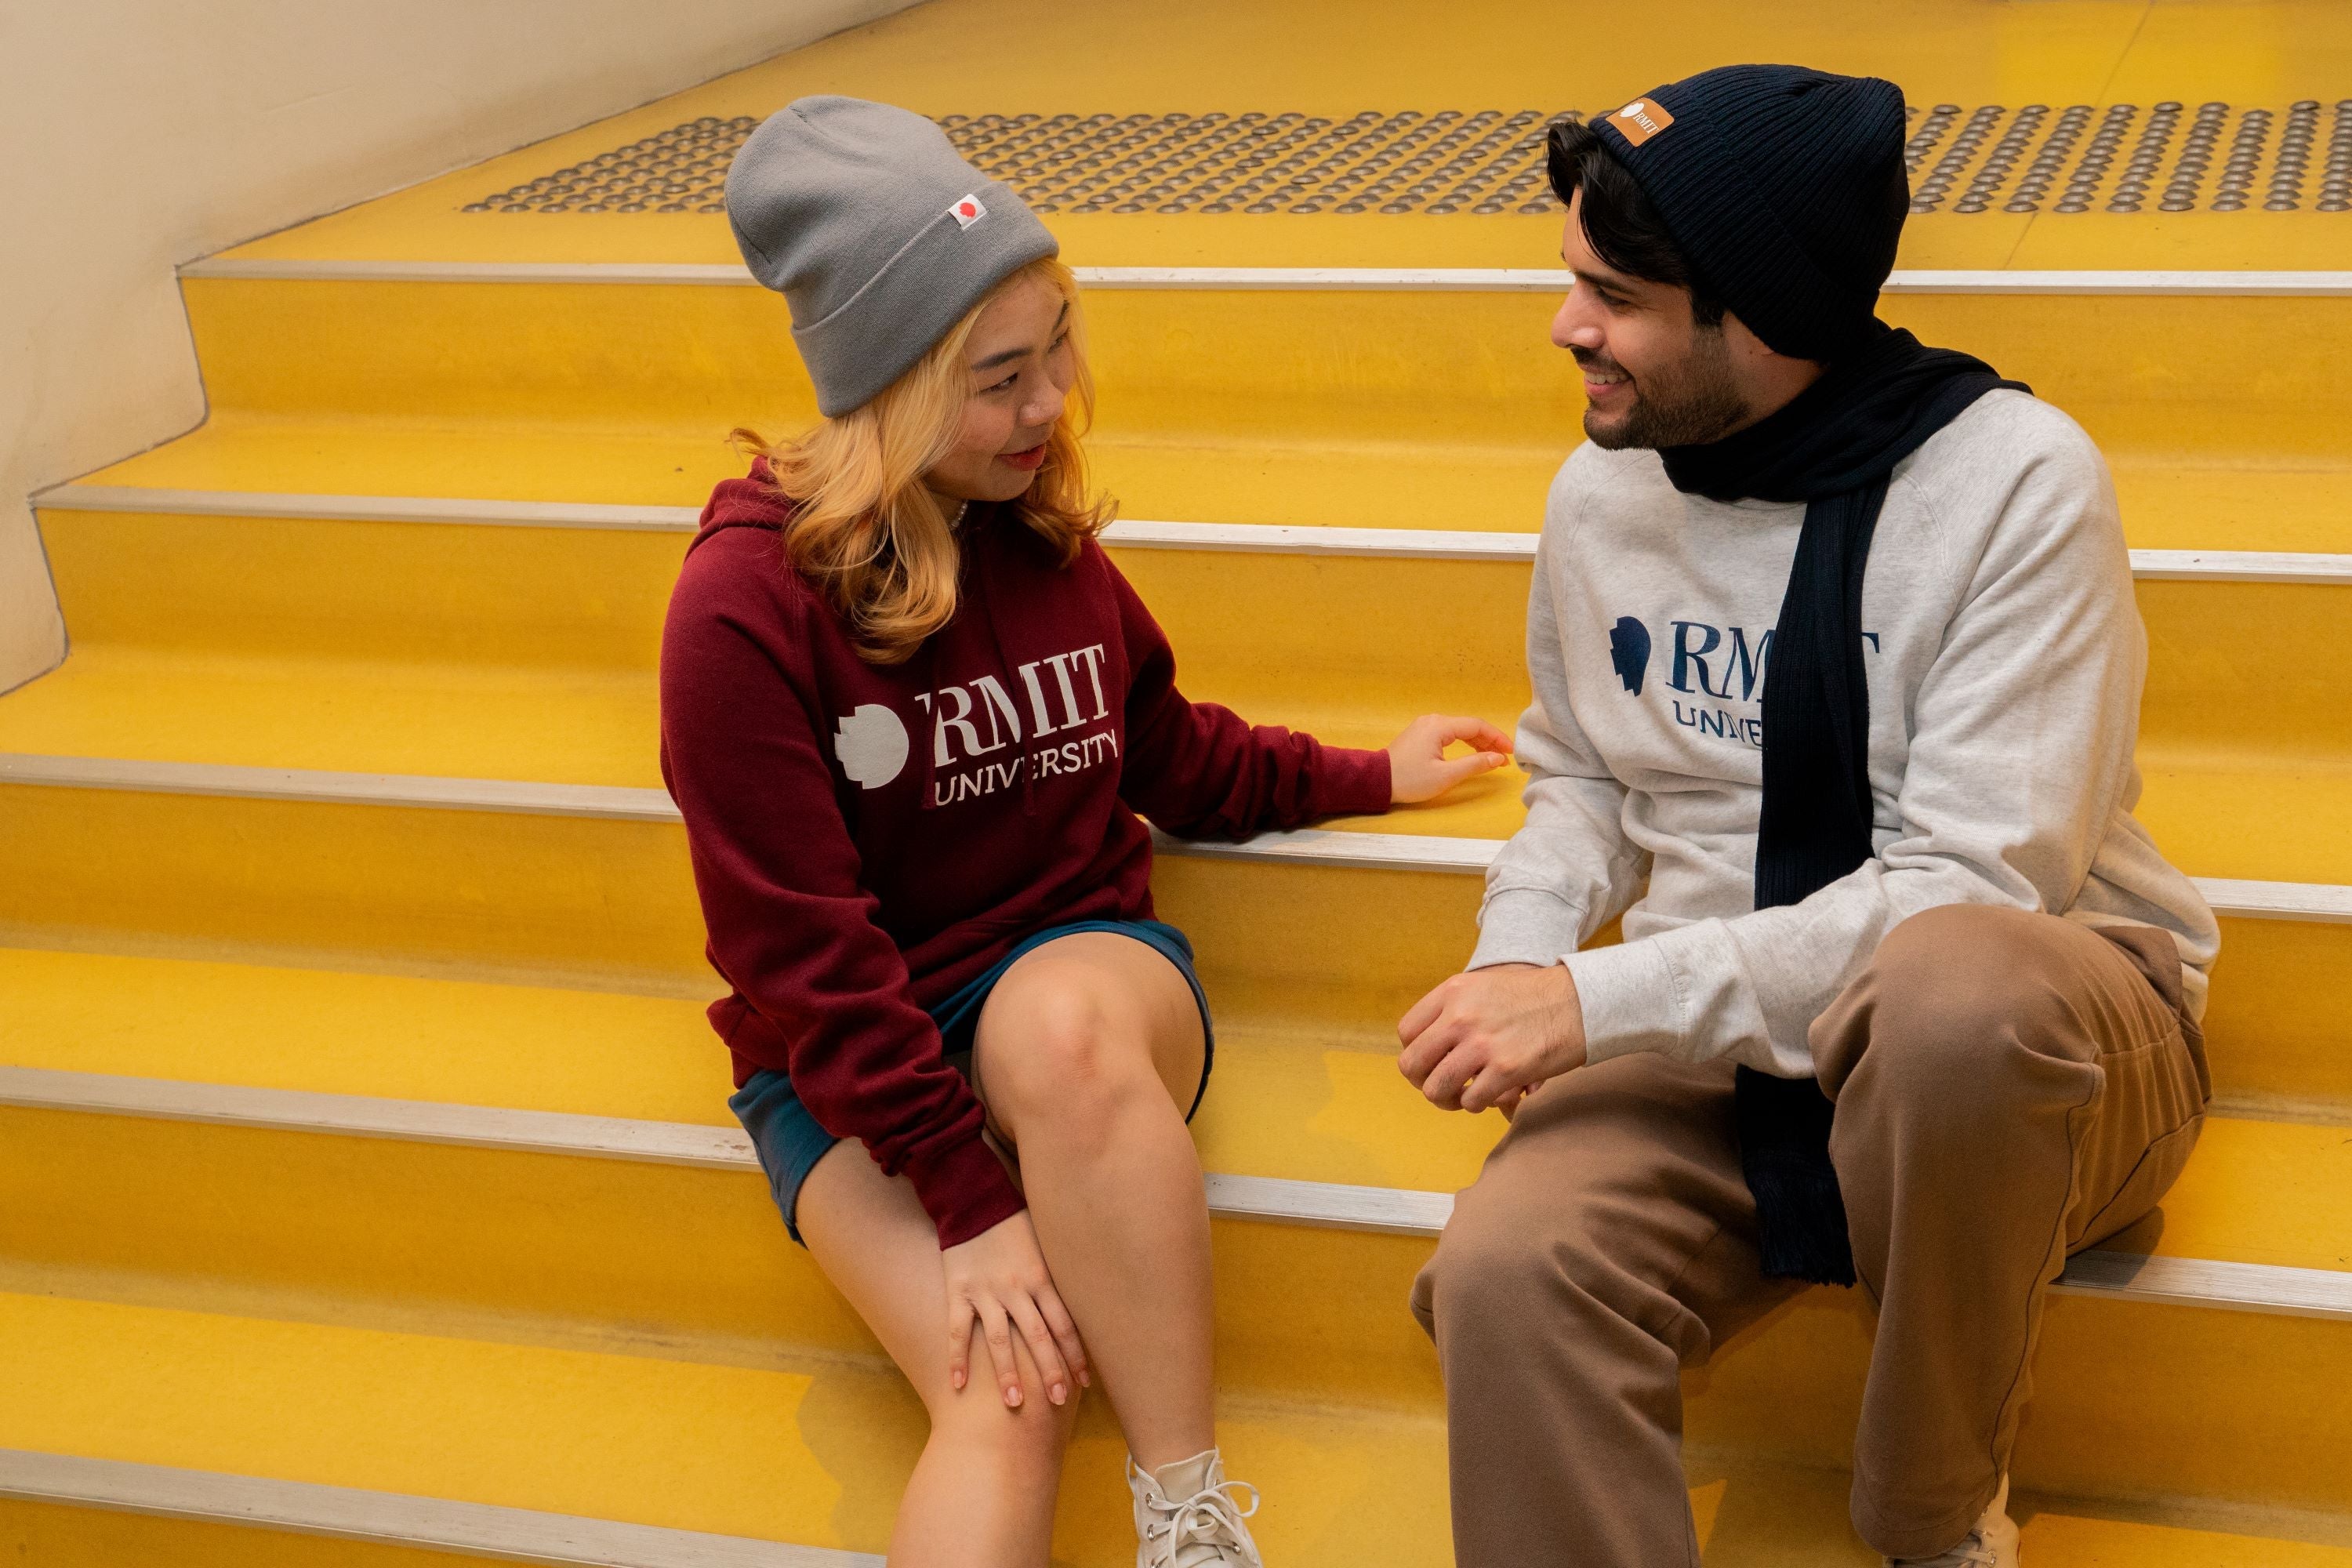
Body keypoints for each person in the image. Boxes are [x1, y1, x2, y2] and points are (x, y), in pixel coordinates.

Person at [660, 96, 1510, 1568]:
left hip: (1075, 976)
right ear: (889, 387)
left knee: (1056, 1030)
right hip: (856, 1058)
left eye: (1058, 344)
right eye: (999, 376)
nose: (1051, 402)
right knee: (1006, 1390)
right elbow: (796, 950)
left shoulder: (1038, 530)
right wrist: (970, 1200)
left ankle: (1187, 1518)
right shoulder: (741, 613)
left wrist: (1376, 776)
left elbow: (1172, 753)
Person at [1396, 66, 2219, 1568]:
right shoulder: (1607, 488)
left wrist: (1595, 996)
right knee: (1509, 1270)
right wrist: (1521, 961)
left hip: (2038, 1045)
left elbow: (1978, 883)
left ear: (1761, 314)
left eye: (1616, 293)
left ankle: (1929, 1520)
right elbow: (1581, 773)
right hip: (1729, 1046)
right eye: (1571, 279)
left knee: (1947, 992)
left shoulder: (2014, 485)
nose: (1568, 325)